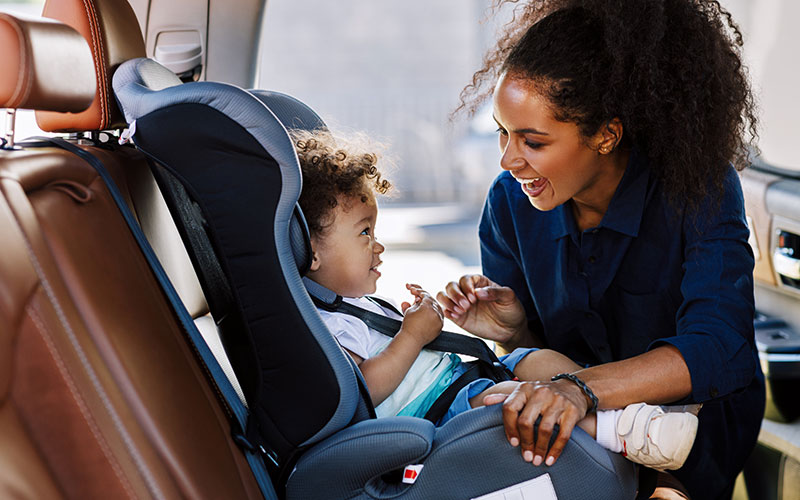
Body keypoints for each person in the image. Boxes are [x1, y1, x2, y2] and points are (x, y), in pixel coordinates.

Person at [438, 1, 765, 499]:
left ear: (606, 135)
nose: (508, 161)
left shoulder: (696, 189)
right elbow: (540, 357)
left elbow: (718, 349)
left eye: (533, 142)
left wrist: (582, 390)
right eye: (504, 134)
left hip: (690, 436)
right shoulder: (509, 205)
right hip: (577, 432)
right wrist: (515, 331)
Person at [292, 128, 698, 472]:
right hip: (437, 412)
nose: (377, 246)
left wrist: (418, 322)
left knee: (532, 359)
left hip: (461, 380)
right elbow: (363, 390)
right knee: (511, 399)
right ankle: (622, 435)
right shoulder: (324, 325)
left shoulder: (356, 307)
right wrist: (412, 336)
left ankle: (624, 412)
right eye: (364, 233)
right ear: (310, 250)